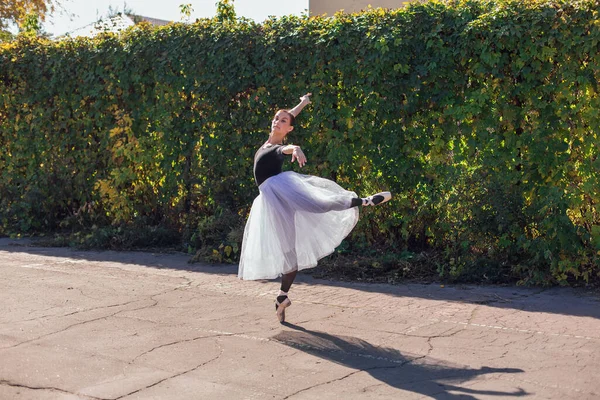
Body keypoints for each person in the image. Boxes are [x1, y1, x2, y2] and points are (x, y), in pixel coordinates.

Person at [238, 93, 391, 323]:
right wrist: (302, 104)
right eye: (276, 118)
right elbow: (289, 115)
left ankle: (363, 201)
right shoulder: (269, 141)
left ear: (288, 130)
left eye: (282, 122)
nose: (277, 121)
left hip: (279, 190)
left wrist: (296, 148)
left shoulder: (278, 148)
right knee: (289, 252)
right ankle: (282, 298)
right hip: (272, 201)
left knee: (318, 203)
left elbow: (285, 149)